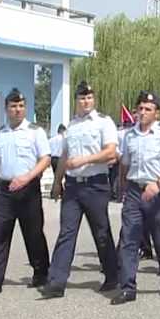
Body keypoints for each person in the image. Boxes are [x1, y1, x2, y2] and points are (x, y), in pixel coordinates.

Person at [40, 81, 119, 298]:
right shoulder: (72, 126)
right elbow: (65, 156)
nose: (86, 101)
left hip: (95, 184)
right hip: (73, 187)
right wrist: (57, 182)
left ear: (94, 100)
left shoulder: (104, 122)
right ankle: (56, 282)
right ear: (76, 100)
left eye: (89, 97)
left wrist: (85, 159)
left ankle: (112, 276)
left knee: (101, 232)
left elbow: (111, 152)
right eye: (82, 98)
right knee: (66, 232)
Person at [111, 90, 160, 305]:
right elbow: (124, 165)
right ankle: (128, 287)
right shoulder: (129, 135)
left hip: (156, 191)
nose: (142, 113)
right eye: (140, 108)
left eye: (147, 109)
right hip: (134, 190)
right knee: (129, 238)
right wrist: (124, 189)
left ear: (157, 114)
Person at [0, 88, 51, 294]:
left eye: (21, 106)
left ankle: (41, 274)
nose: (17, 110)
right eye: (13, 106)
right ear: (6, 109)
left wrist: (27, 178)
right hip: (4, 191)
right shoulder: (1, 132)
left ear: (25, 108)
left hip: (28, 189)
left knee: (33, 234)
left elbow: (45, 159)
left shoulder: (35, 131)